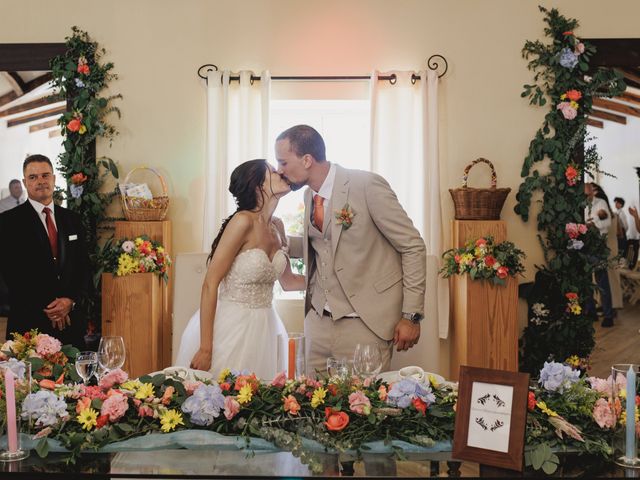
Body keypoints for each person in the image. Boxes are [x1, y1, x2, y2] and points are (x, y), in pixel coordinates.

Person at [275, 125, 426, 375]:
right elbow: (322, 244)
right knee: (313, 407)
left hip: (365, 324)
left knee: (362, 409)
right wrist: (277, 240)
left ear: (307, 160)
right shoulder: (309, 197)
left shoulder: (366, 185)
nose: (280, 170)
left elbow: (412, 246)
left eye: (283, 162)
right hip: (318, 324)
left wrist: (411, 316)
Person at [175, 159, 304, 379]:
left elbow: (289, 282)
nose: (281, 172)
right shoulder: (242, 221)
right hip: (232, 326)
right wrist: (206, 347)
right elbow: (210, 282)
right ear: (258, 186)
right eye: (273, 171)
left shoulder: (277, 226)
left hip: (266, 328)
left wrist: (329, 280)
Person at [0, 155, 90, 346]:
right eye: (33, 177)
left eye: (45, 175)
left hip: (71, 326)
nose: (40, 181)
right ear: (25, 182)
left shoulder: (72, 219)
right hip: (29, 327)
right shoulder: (7, 222)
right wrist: (53, 309)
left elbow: (84, 267)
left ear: (54, 179)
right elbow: (10, 275)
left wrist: (69, 301)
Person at [584, 182, 615, 327]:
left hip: (598, 245)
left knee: (602, 280)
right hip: (585, 245)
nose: (587, 194)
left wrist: (594, 223)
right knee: (586, 281)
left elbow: (607, 222)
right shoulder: (581, 205)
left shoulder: (601, 203)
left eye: (589, 191)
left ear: (592, 191)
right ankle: (591, 311)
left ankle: (608, 315)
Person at [613, 197, 629, 263]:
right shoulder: (616, 212)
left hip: (622, 232)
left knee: (621, 248)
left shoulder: (622, 213)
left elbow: (626, 226)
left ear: (621, 204)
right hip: (617, 232)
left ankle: (621, 263)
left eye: (617, 203)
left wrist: (623, 232)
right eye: (615, 203)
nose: (615, 204)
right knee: (618, 247)